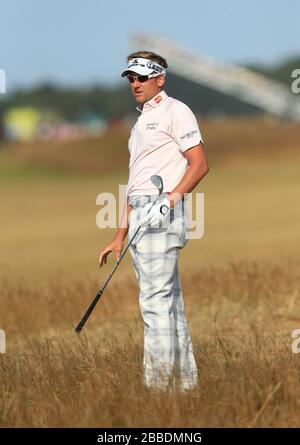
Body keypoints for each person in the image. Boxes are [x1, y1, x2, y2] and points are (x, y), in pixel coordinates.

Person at [99, 51, 209, 392]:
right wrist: (120, 234)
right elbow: (136, 183)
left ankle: (158, 391)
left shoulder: (176, 111)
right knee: (168, 301)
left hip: (161, 213)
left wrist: (169, 201)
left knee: (154, 304)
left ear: (160, 78)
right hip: (141, 214)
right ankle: (186, 387)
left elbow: (199, 164)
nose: (135, 83)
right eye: (131, 77)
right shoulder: (139, 123)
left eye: (142, 77)